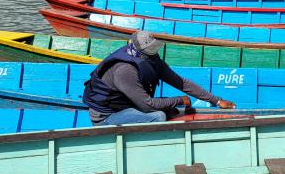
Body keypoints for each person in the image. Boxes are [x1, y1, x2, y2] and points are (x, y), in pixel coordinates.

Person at [83, 29, 236, 125]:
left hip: (127, 105)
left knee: (171, 110)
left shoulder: (150, 58)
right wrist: (179, 100)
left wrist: (216, 100)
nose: (155, 53)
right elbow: (147, 105)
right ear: (138, 52)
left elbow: (181, 83)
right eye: (150, 51)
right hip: (107, 116)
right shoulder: (124, 70)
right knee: (159, 116)